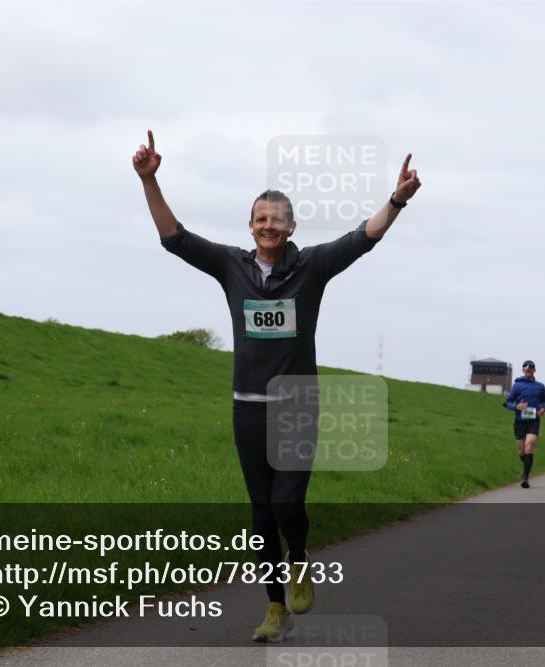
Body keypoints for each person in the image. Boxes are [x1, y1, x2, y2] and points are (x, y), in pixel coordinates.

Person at [134, 130, 421, 642]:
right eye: (261, 218)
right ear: (250, 225)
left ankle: (300, 560)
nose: (269, 225)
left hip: (295, 406)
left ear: (292, 227)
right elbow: (173, 237)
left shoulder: (311, 267)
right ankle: (273, 608)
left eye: (278, 219)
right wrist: (149, 179)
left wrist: (396, 200)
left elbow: (363, 237)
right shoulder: (230, 266)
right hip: (247, 408)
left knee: (288, 504)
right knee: (261, 513)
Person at [503, 360, 545, 488]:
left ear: (534, 370)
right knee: (521, 452)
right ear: (523, 370)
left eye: (531, 368)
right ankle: (527, 466)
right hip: (520, 422)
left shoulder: (540, 386)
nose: (528, 370)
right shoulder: (517, 385)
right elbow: (507, 403)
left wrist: (543, 409)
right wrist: (517, 406)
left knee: (529, 446)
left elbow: (543, 402)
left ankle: (525, 477)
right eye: (526, 368)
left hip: (533, 421)